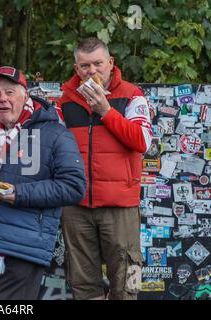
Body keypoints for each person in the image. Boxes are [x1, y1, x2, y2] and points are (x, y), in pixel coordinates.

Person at [0, 66, 86, 300]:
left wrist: (19, 193)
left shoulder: (55, 134)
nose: (3, 99)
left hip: (23, 247)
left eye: (9, 92)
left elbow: (74, 186)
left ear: (25, 96)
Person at [56, 37, 153, 300]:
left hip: (120, 206)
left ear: (110, 63)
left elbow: (143, 141)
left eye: (98, 64)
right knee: (83, 285)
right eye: (85, 66)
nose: (92, 71)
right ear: (77, 69)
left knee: (127, 284)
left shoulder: (132, 95)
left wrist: (106, 111)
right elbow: (53, 150)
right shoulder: (64, 101)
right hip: (76, 206)